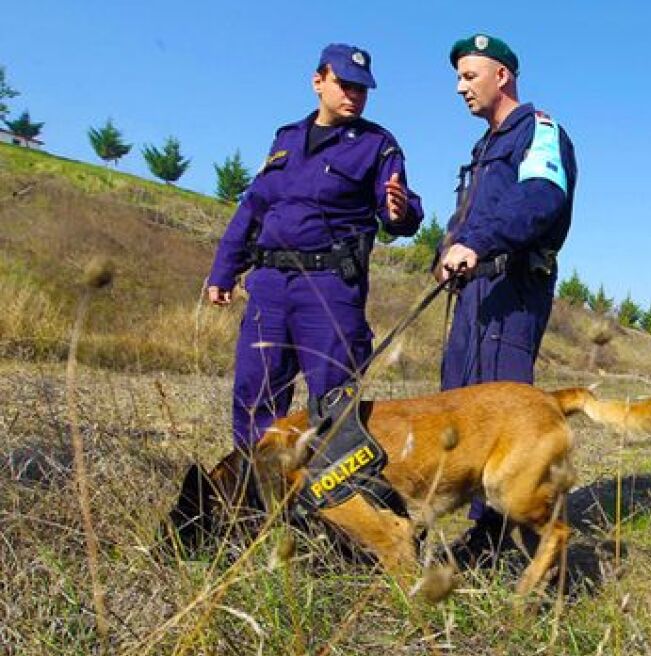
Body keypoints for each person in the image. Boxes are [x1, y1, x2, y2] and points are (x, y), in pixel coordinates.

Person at [206, 43, 423, 449]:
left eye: (362, 89)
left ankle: (332, 504)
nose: (353, 95)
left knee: (333, 401)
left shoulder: (377, 145)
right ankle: (258, 498)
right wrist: (224, 270)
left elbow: (400, 210)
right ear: (318, 82)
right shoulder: (285, 139)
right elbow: (253, 208)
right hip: (268, 285)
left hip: (328, 287)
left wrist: (400, 211)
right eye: (345, 85)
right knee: (256, 395)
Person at [436, 33, 578, 562]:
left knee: (501, 410)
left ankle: (496, 536)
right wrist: (446, 250)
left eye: (469, 76)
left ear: (503, 76)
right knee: (460, 403)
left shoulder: (540, 131)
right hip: (475, 290)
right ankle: (477, 523)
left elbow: (541, 199)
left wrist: (477, 243)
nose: (459, 88)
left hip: (512, 287)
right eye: (457, 78)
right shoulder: (485, 147)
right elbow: (468, 215)